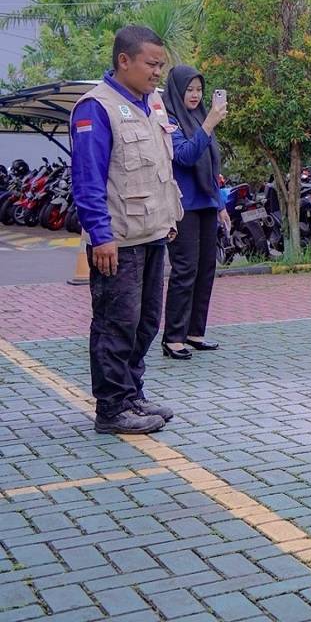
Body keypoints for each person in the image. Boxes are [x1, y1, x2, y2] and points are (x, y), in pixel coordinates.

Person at [69, 26, 183, 435]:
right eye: (152, 64)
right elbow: (87, 179)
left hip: (152, 234)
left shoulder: (151, 105)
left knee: (147, 322)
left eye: (161, 65)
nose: (158, 73)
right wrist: (100, 236)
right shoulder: (95, 108)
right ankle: (111, 408)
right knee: (116, 324)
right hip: (118, 242)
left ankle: (132, 393)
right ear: (124, 61)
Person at [161, 66, 229, 360]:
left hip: (207, 204)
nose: (195, 95)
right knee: (185, 269)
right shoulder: (169, 119)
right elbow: (186, 156)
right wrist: (209, 124)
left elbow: (212, 165)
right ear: (177, 91)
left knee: (206, 269)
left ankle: (194, 332)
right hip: (183, 205)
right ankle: (173, 337)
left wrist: (221, 204)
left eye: (199, 90)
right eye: (189, 89)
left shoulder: (201, 117)